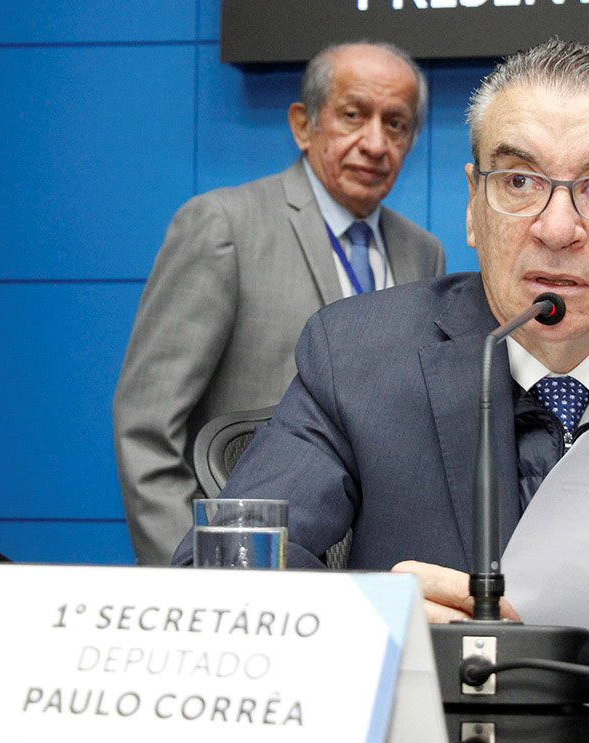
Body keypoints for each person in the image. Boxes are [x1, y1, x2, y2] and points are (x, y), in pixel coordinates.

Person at [171, 39, 589, 619]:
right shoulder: (356, 359)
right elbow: (218, 576)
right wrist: (375, 619)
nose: (557, 228)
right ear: (474, 205)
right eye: (519, 181)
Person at [114, 41, 445, 565]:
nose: (375, 143)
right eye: (353, 115)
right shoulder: (224, 226)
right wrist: (197, 579)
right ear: (302, 125)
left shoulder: (423, 253)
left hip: (378, 578)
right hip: (246, 569)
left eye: (396, 123)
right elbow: (147, 427)